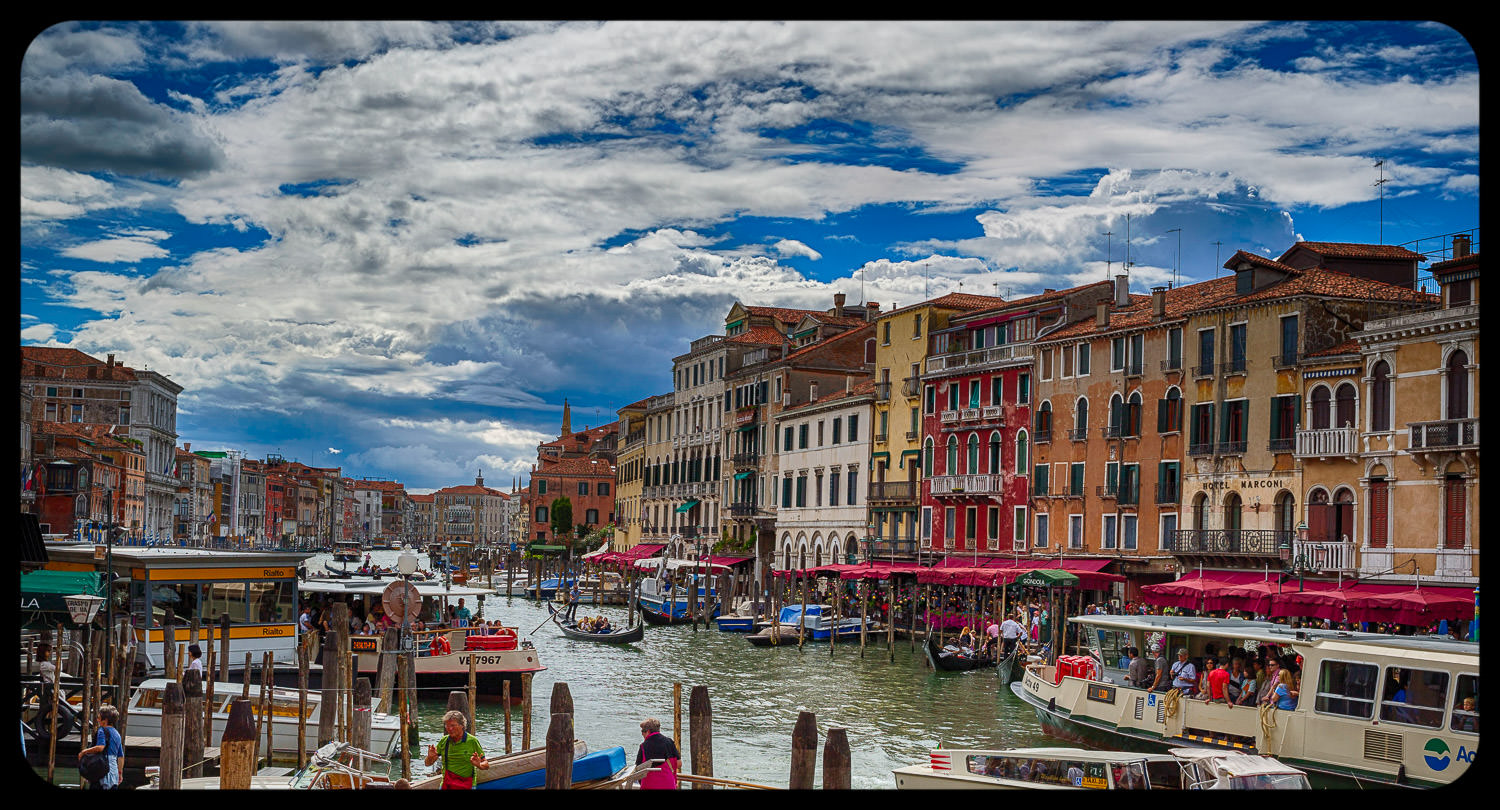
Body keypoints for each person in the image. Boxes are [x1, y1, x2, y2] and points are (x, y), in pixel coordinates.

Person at [424, 710, 489, 789]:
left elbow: (486, 765)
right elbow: (427, 764)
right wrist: (430, 757)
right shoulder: (444, 741)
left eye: (453, 725)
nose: (449, 729)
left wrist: (479, 765)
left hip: (467, 784)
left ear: (462, 725)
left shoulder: (472, 741)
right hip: (447, 784)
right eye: (447, 725)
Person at [79, 704, 124, 789]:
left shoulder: (102, 730)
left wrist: (84, 752)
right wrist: (120, 773)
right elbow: (121, 756)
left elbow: (100, 747)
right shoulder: (117, 734)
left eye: (99, 718)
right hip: (113, 773)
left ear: (105, 720)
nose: (97, 720)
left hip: (102, 770)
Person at [636, 717, 680, 790]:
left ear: (648, 731)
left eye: (642, 731)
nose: (642, 734)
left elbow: (638, 769)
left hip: (649, 784)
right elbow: (679, 763)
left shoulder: (643, 746)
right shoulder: (669, 742)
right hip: (668, 784)